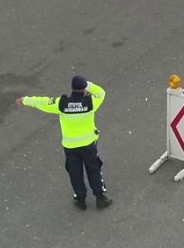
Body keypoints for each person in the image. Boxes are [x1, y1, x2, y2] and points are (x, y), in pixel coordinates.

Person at [15, 75, 112, 211]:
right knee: (94, 170)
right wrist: (88, 85)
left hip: (70, 146)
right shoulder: (91, 103)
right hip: (89, 144)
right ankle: (101, 197)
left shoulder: (62, 104)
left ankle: (80, 199)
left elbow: (44, 102)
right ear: (83, 89)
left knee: (75, 173)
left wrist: (26, 100)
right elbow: (101, 92)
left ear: (72, 88)